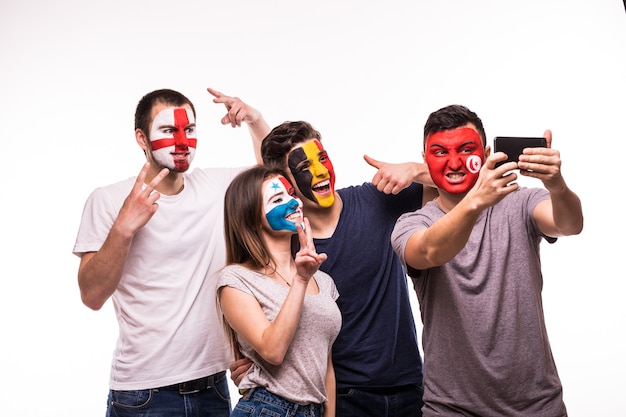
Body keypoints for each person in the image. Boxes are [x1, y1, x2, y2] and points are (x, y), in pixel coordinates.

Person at [72, 87, 270, 416]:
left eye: (189, 130)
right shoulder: (107, 200)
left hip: (214, 388)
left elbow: (274, 174)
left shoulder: (215, 188)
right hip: (143, 394)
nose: (182, 141)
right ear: (141, 137)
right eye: (168, 130)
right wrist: (124, 227)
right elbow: (91, 295)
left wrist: (255, 119)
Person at [229, 120, 437, 416]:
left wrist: (416, 169)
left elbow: (461, 184)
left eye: (322, 158)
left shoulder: (377, 199)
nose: (320, 171)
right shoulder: (286, 245)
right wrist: (252, 363)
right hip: (338, 396)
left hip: (409, 386)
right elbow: (251, 301)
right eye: (304, 168)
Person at [391, 104, 584, 416]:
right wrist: (475, 202)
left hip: (537, 405)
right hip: (451, 408)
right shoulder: (412, 224)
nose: (453, 162)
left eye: (465, 149)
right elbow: (428, 251)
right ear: (426, 159)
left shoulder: (521, 201)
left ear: (485, 152)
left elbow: (570, 224)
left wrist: (556, 184)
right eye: (440, 152)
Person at [216, 165, 342, 417]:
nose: (294, 202)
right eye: (278, 198)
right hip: (266, 408)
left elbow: (325, 363)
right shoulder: (236, 279)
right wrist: (300, 279)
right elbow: (273, 351)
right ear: (251, 215)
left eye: (292, 194)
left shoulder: (324, 281)